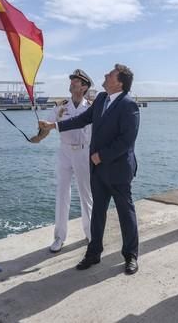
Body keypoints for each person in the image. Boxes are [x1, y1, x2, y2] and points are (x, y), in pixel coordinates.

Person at [39, 64, 140, 275]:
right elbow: (82, 120)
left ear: (119, 82)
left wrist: (100, 155)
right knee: (98, 212)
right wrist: (54, 126)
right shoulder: (102, 99)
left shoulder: (129, 105)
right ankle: (93, 253)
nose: (105, 75)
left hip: (118, 169)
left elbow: (126, 141)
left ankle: (130, 255)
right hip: (98, 168)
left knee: (125, 213)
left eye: (110, 74)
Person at [32, 69, 94, 253]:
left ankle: (91, 234)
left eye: (76, 81)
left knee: (86, 195)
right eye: (72, 80)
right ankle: (59, 237)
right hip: (65, 152)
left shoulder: (91, 107)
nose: (72, 83)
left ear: (84, 87)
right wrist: (38, 137)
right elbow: (47, 127)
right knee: (62, 194)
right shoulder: (60, 107)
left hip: (84, 152)